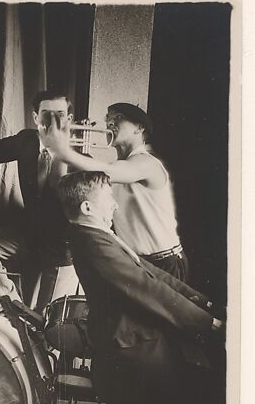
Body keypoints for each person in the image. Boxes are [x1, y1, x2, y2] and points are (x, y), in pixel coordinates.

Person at [56, 170, 225, 404]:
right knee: (200, 399)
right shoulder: (90, 240)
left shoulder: (101, 235)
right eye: (108, 199)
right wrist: (204, 323)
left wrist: (204, 304)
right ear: (87, 206)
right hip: (127, 353)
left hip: (138, 341)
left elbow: (152, 275)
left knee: (204, 393)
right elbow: (143, 288)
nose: (115, 203)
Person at [0, 89, 74, 311]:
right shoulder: (26, 140)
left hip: (61, 247)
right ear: (36, 117)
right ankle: (12, 306)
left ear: (69, 119)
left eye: (60, 114)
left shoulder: (81, 157)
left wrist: (63, 154)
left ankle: (32, 319)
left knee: (50, 320)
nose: (54, 120)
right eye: (47, 113)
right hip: (31, 234)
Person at [41, 103, 189, 281]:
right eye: (108, 119)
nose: (110, 122)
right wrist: (58, 153)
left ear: (139, 128)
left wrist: (64, 150)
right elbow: (59, 184)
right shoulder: (115, 169)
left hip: (165, 262)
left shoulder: (147, 163)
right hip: (137, 261)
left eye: (118, 118)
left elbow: (110, 170)